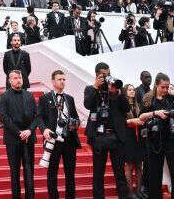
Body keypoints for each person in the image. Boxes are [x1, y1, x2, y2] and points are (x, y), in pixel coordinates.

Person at [138, 73, 174, 199]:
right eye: (163, 87)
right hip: (154, 140)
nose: (165, 89)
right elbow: (141, 117)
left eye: (167, 86)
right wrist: (156, 113)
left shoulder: (172, 97)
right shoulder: (148, 98)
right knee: (154, 175)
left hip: (173, 139)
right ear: (156, 85)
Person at [84, 62, 131, 199]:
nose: (107, 77)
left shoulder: (115, 90)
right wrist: (96, 87)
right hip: (99, 137)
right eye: (104, 75)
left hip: (116, 136)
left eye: (108, 74)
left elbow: (126, 109)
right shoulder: (90, 89)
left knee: (119, 172)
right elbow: (88, 104)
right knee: (98, 173)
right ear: (97, 75)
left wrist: (117, 93)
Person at [36, 70, 79, 199]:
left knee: (70, 173)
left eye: (64, 79)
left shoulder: (70, 98)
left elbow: (76, 117)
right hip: (53, 139)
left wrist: (75, 123)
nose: (62, 82)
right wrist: (44, 129)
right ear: (53, 81)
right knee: (52, 172)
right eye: (59, 79)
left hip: (69, 139)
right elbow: (39, 117)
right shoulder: (45, 98)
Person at [0, 69, 37, 198]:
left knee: (29, 171)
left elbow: (36, 116)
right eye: (15, 78)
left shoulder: (29, 95)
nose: (18, 80)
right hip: (13, 139)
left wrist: (29, 130)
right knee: (14, 172)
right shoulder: (4, 97)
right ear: (10, 81)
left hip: (28, 138)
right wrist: (19, 132)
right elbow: (4, 118)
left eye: (20, 78)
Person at [122, 84, 146, 198]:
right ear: (125, 92)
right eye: (129, 90)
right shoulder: (122, 105)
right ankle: (130, 192)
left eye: (133, 90)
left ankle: (139, 191)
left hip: (139, 138)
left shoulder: (138, 105)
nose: (132, 91)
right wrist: (132, 121)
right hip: (128, 137)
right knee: (129, 165)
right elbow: (121, 122)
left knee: (139, 165)